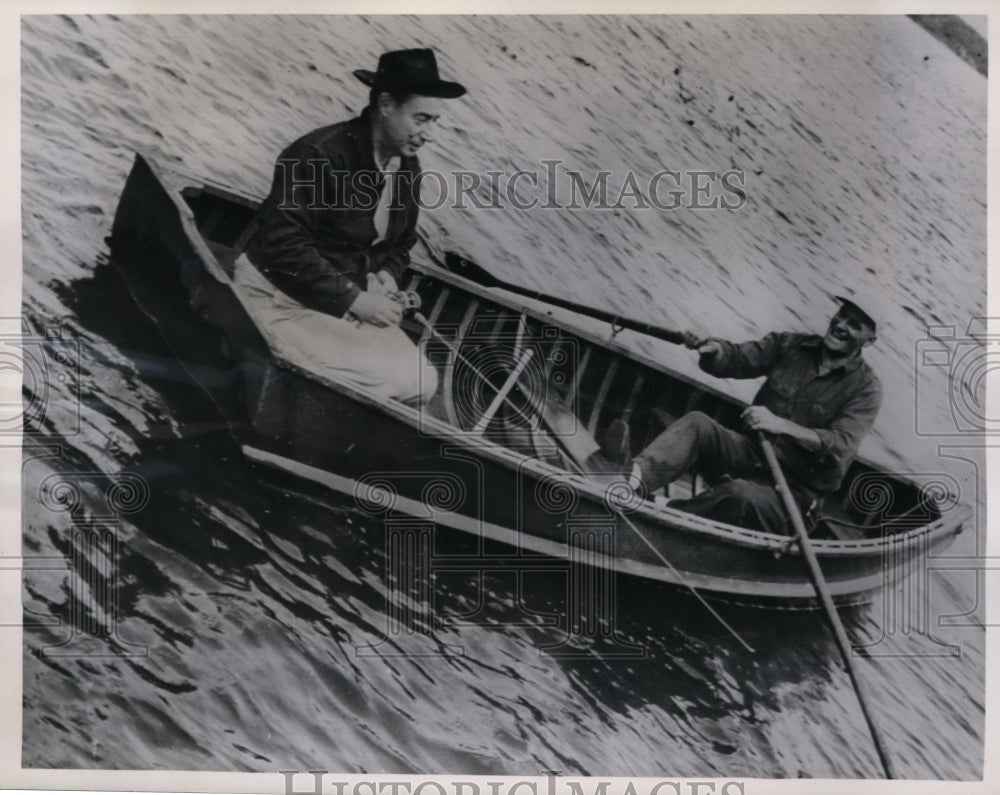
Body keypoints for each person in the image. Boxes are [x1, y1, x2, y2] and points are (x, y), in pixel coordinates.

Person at [236, 49, 467, 403]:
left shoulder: (407, 167)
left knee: (422, 383)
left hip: (337, 304)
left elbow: (401, 244)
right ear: (386, 104)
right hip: (277, 296)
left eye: (434, 122)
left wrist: (387, 273)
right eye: (421, 119)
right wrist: (355, 299)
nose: (429, 134)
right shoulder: (318, 154)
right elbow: (284, 247)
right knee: (387, 382)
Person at [626, 297, 883, 535]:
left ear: (869, 341)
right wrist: (711, 347)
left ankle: (664, 511)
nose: (841, 324)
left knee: (741, 496)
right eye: (841, 315)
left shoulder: (867, 389)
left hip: (793, 494)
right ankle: (628, 482)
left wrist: (782, 426)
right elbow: (737, 358)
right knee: (697, 424)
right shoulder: (791, 345)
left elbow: (841, 446)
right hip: (750, 456)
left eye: (854, 324)